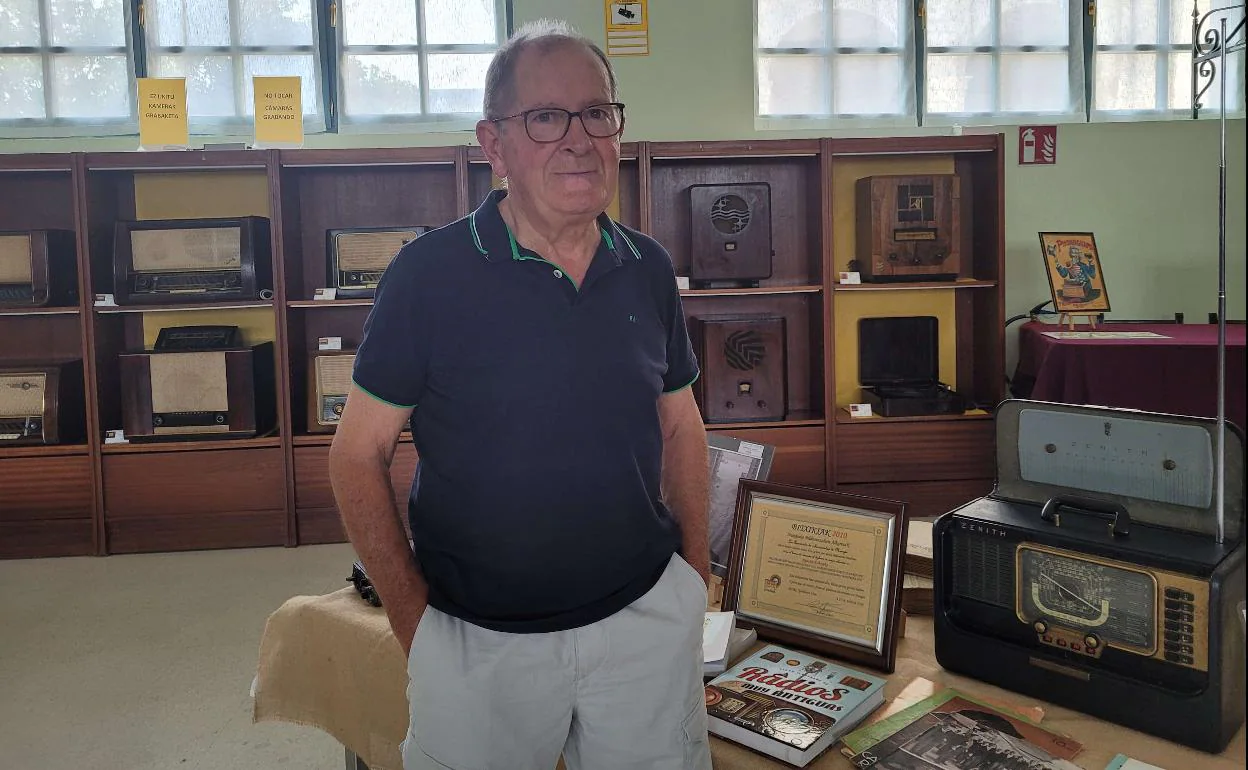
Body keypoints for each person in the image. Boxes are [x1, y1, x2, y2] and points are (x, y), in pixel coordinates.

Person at [327, 18, 713, 770]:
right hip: (479, 642)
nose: (579, 138)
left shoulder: (647, 267)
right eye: (545, 116)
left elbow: (683, 430)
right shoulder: (428, 276)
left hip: (643, 624)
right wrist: (417, 625)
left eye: (597, 112)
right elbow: (356, 456)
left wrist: (691, 582)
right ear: (493, 143)